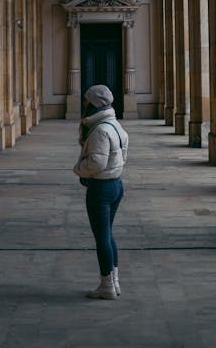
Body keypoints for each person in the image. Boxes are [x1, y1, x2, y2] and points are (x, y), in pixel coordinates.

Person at [73, 84, 129, 300]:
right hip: (116, 184)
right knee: (108, 235)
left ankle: (106, 284)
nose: (84, 103)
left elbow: (96, 161)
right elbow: (123, 155)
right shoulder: (114, 125)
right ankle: (113, 282)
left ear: (95, 103)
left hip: (101, 188)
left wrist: (78, 169)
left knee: (102, 237)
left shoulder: (100, 131)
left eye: (87, 100)